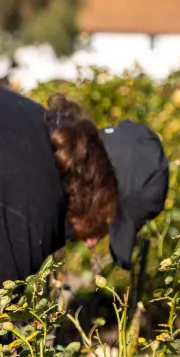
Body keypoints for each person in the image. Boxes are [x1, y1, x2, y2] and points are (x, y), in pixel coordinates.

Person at [0, 86, 170, 283]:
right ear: (101, 193)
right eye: (104, 225)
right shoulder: (31, 214)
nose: (91, 243)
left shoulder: (32, 122)